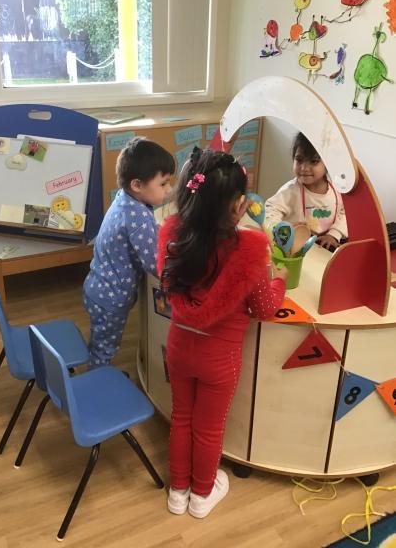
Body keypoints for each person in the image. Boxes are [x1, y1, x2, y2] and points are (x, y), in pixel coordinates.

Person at [157, 147, 287, 518]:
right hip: (220, 359)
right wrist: (279, 281)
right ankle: (201, 495)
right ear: (237, 205)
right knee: (208, 428)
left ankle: (178, 492)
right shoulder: (250, 251)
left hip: (179, 346)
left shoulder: (172, 236)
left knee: (182, 418)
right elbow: (264, 307)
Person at [83, 136, 175, 368]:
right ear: (137, 185)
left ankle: (97, 368)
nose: (169, 190)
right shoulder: (139, 218)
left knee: (100, 339)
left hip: (98, 287)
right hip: (110, 298)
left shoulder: (125, 199)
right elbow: (155, 265)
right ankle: (97, 379)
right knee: (105, 349)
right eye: (163, 184)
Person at [264, 132, 348, 250]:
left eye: (313, 161)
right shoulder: (290, 190)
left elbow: (346, 212)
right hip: (296, 246)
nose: (304, 168)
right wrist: (283, 230)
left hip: (326, 246)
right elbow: (270, 210)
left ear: (327, 163)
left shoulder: (338, 189)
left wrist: (334, 234)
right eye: (299, 160)